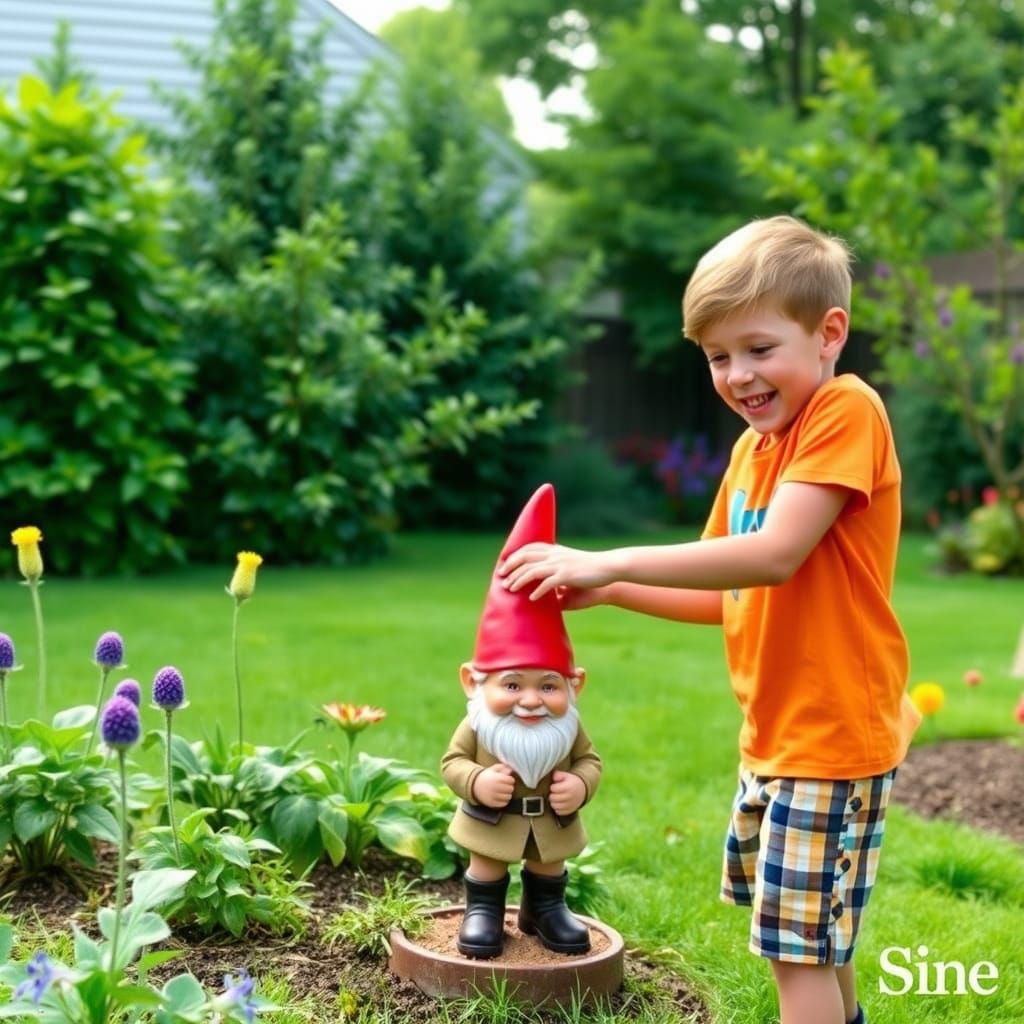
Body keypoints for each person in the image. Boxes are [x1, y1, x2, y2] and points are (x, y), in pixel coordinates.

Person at [499, 216, 920, 1024]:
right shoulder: (753, 453)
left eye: (759, 349)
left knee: (796, 951)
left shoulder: (845, 411)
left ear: (830, 332)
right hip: (778, 734)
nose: (738, 375)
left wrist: (612, 559)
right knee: (805, 939)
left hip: (831, 735)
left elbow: (771, 555)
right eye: (718, 356)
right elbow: (726, 589)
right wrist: (611, 590)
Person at [442, 483, 602, 960]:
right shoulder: (479, 727)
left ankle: (545, 910)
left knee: (548, 867)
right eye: (512, 685)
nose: (530, 701)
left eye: (549, 686)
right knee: (488, 865)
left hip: (551, 824)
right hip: (492, 820)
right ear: (473, 682)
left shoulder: (567, 729)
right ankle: (484, 913)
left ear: (575, 684)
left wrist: (580, 785)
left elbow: (590, 761)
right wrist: (475, 780)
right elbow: (451, 762)